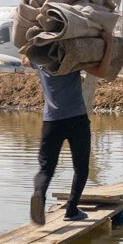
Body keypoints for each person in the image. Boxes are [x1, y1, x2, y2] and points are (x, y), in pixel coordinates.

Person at [26, 57, 91, 226]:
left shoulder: (40, 58)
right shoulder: (72, 55)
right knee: (81, 167)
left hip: (52, 121)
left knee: (46, 168)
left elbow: (24, 60)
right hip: (77, 118)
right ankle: (72, 210)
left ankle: (39, 194)